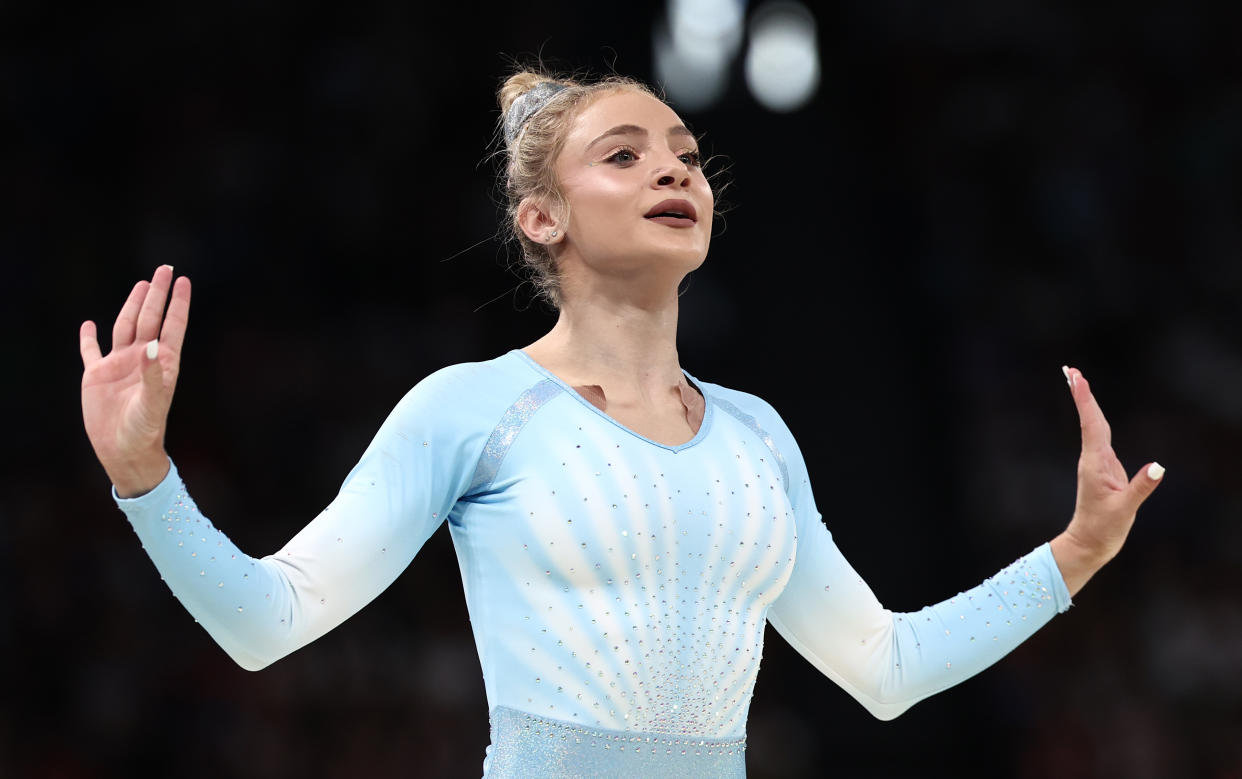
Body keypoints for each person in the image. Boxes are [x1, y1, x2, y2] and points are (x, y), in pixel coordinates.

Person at [78, 69, 1164, 778]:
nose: (674, 169)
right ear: (541, 216)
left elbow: (882, 665)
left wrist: (1072, 556)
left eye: (686, 153)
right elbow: (265, 621)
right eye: (627, 154)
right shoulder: (474, 410)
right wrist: (145, 477)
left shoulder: (757, 437)